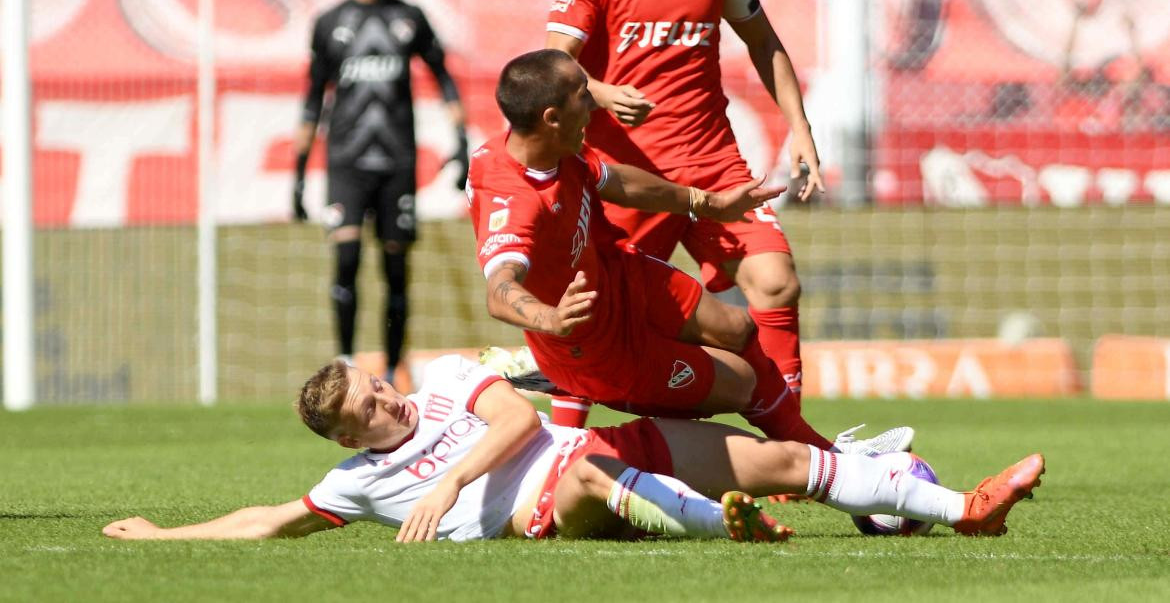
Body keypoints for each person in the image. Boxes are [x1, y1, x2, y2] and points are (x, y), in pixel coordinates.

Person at [466, 48, 909, 457]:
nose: (593, 103)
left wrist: (708, 203)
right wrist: (550, 320)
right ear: (551, 117)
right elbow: (500, 286)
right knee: (741, 386)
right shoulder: (516, 197)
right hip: (596, 343)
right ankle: (826, 462)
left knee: (737, 327)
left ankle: (822, 455)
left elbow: (617, 181)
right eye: (585, 96)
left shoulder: (557, 147)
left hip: (620, 277)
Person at [102, 355, 1045, 543]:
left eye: (376, 383)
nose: (388, 398)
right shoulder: (355, 482)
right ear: (349, 436)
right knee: (590, 477)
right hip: (562, 502)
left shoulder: (439, 377)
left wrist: (450, 482)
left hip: (595, 439)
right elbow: (266, 522)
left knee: (789, 464)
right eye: (369, 405)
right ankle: (728, 530)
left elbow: (514, 418)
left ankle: (963, 507)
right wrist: (155, 536)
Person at [546, 0, 821, 418]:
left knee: (777, 284)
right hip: (628, 174)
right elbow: (552, 63)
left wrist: (800, 129)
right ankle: (558, 461)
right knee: (591, 312)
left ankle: (793, 443)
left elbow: (764, 42)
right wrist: (600, 92)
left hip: (714, 159)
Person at [293, 0, 469, 387]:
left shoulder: (408, 17)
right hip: (347, 163)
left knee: (396, 268)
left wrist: (461, 138)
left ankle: (395, 367)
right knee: (346, 259)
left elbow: (443, 76)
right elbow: (314, 97)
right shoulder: (330, 23)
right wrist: (297, 171)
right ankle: (345, 363)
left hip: (397, 162)